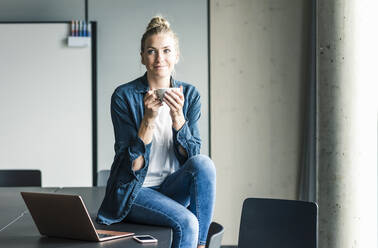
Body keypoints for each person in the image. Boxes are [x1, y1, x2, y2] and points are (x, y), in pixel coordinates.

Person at [96, 16, 216, 248]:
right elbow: (131, 167)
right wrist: (148, 121)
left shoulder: (190, 95)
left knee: (204, 163)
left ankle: (202, 245)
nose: (159, 58)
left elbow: (192, 161)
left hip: (172, 187)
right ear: (142, 56)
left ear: (176, 55)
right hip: (136, 190)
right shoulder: (124, 96)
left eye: (166, 50)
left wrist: (178, 118)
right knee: (188, 222)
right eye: (151, 51)